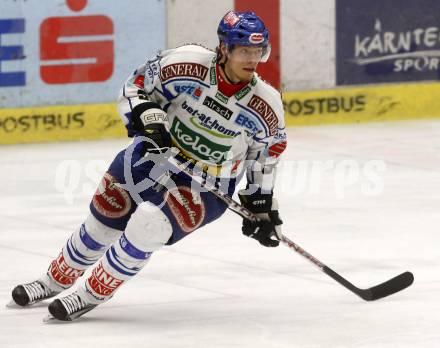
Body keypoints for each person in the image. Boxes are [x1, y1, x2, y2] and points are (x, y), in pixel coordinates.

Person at [8, 10, 287, 321]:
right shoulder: (186, 63)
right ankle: (53, 280)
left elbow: (267, 152)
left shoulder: (266, 104)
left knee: (149, 225)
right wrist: (148, 116)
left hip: (208, 181)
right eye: (244, 51)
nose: (252, 60)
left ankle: (91, 294)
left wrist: (261, 205)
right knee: (105, 214)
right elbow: (136, 86)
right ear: (224, 49)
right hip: (155, 155)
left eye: (258, 52)